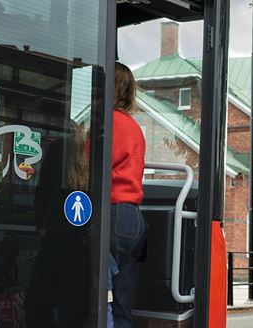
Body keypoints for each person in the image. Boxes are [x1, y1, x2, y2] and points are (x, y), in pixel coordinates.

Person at [107, 62, 147, 328]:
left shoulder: (109, 124)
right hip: (133, 218)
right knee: (122, 301)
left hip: (112, 212)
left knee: (100, 296)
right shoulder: (133, 126)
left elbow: (88, 168)